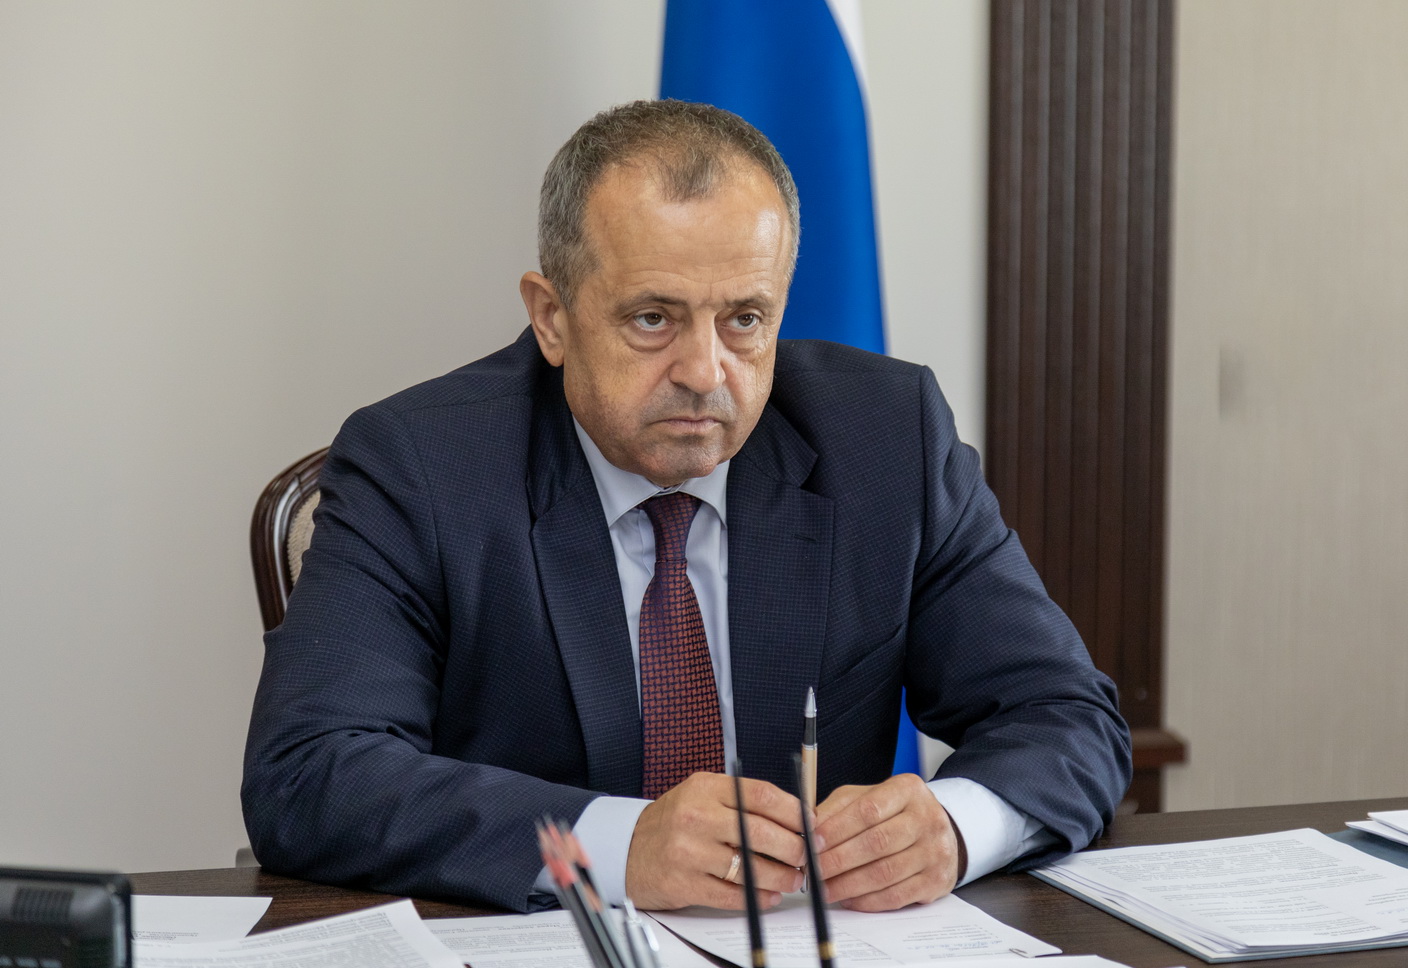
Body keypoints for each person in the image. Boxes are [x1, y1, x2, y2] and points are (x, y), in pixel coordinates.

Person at [242, 99, 1130, 915]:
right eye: (653, 319)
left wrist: (958, 826)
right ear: (551, 317)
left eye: (745, 319)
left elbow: (1068, 717)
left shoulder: (886, 440)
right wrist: (617, 845)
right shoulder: (422, 466)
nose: (706, 373)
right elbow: (309, 773)